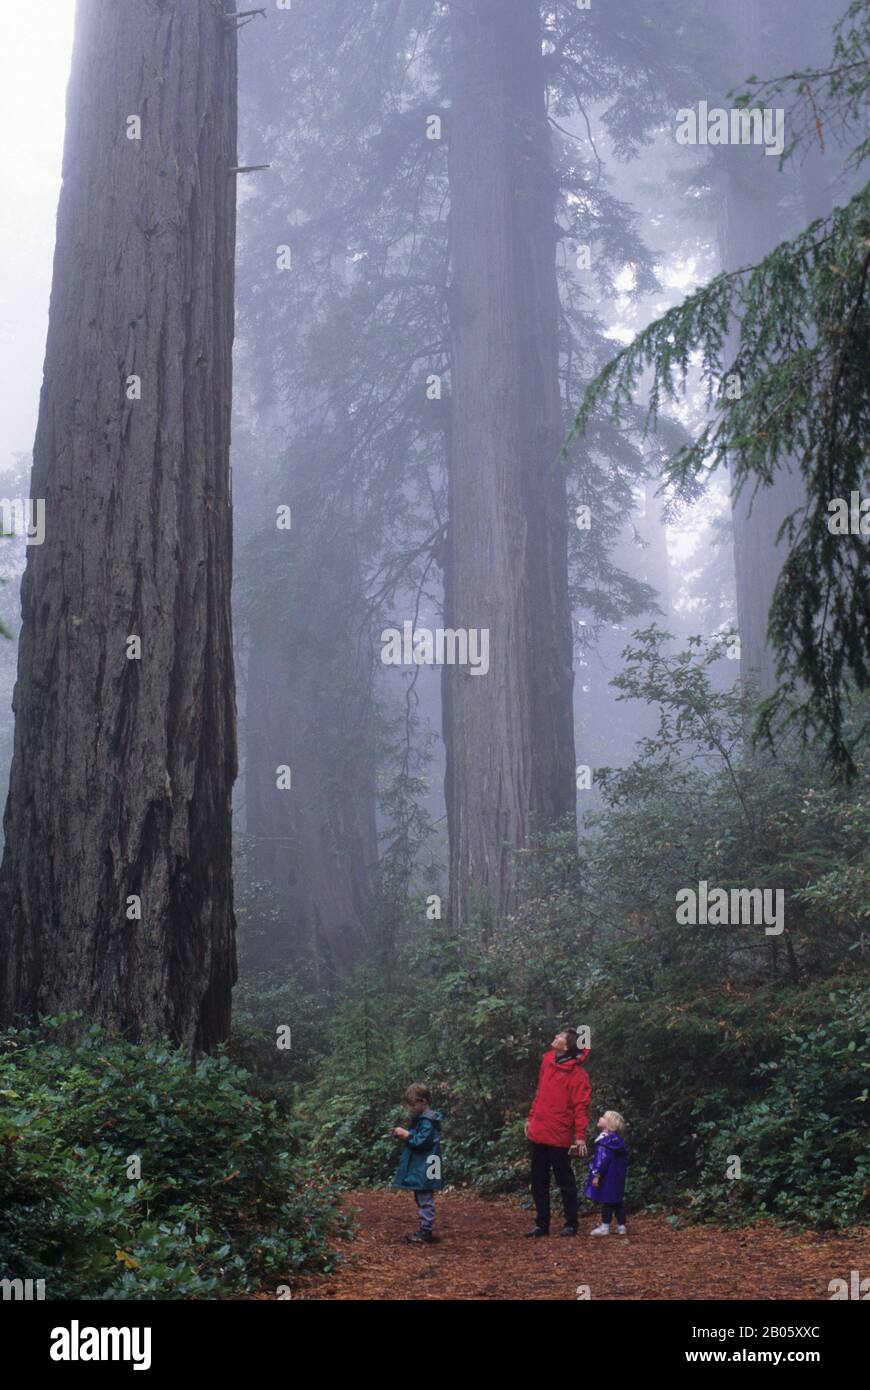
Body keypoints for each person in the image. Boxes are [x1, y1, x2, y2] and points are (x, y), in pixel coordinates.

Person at [524, 1027, 591, 1237]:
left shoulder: (578, 1075)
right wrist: (531, 1118)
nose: (556, 1037)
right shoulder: (547, 1062)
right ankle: (541, 1224)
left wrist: (580, 1137)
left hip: (560, 1134)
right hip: (540, 1130)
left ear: (569, 1045)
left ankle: (571, 1223)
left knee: (565, 1180)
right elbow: (539, 1093)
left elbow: (581, 1107)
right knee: (538, 1180)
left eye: (561, 1036)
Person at [392, 1082, 444, 1245]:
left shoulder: (427, 1121)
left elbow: (422, 1141)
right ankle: (425, 1228)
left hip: (428, 1164)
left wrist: (407, 1135)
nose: (411, 1108)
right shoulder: (423, 1119)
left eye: (413, 1105)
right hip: (427, 1162)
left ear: (423, 1101)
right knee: (422, 1195)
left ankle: (426, 1231)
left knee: (424, 1196)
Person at [585, 1110, 629, 1235]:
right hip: (617, 1177)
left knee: (607, 1201)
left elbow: (602, 1160)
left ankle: (605, 1226)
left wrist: (596, 1175)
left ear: (610, 1124)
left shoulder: (604, 1142)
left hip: (606, 1176)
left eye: (603, 1117)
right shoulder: (617, 1141)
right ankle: (621, 1226)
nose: (600, 1118)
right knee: (617, 1200)